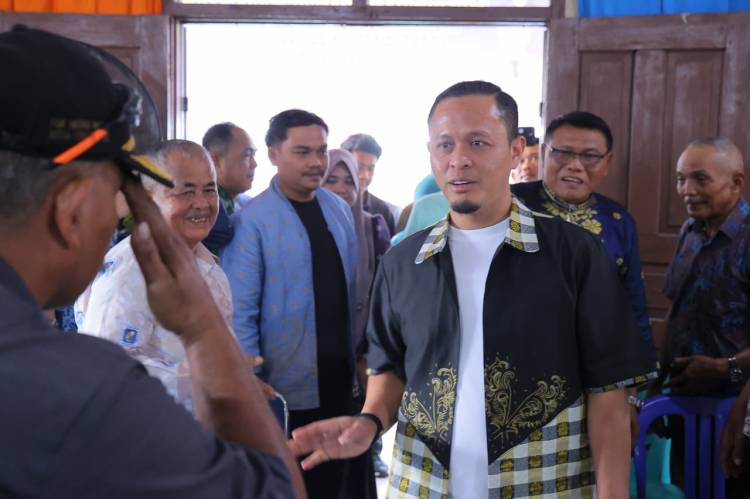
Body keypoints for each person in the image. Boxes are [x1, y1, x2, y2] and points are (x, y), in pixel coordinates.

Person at [289, 81, 657, 498]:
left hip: (543, 483)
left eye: (478, 142)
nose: (458, 159)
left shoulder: (574, 254)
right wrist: (369, 421)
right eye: (444, 145)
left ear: (516, 150)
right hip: (423, 484)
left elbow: (607, 394)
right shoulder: (403, 263)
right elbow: (389, 369)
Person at [0, 26, 304, 498]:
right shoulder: (76, 390)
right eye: (117, 194)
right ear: (71, 209)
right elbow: (276, 491)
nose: (116, 217)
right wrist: (203, 332)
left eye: (208, 190)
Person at [222, 110, 372, 498]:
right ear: (274, 154)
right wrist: (251, 377)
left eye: (321, 151)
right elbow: (241, 310)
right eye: (302, 152)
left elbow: (352, 293)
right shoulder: (252, 221)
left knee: (340, 482)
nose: (316, 162)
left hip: (340, 378)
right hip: (284, 386)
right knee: (295, 484)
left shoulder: (338, 209)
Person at [75, 140, 233, 409]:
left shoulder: (208, 266)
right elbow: (104, 368)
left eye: (209, 190)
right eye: (186, 192)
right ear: (148, 199)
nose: (202, 203)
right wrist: (193, 381)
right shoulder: (129, 270)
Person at [661, 137, 750, 496]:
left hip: (739, 407)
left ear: (736, 183)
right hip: (687, 403)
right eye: (681, 179)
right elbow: (676, 309)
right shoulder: (690, 231)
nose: (687, 190)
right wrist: (654, 383)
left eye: (700, 179)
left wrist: (724, 368)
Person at [323, 148, 391, 478]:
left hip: (362, 349)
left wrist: (369, 348)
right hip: (315, 356)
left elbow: (385, 293)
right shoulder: (304, 231)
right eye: (331, 180)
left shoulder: (372, 226)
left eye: (348, 181)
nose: (340, 188)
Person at [201, 122, 258, 256]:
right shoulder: (202, 210)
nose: (254, 164)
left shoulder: (247, 204)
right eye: (247, 155)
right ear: (215, 160)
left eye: (253, 155)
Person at [342, 133, 400, 234]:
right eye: (358, 166)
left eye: (370, 168)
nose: (365, 175)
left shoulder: (382, 211)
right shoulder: (326, 203)